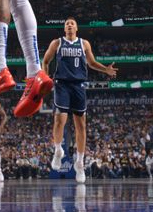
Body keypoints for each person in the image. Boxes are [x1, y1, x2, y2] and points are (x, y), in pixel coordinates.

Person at [42, 17, 118, 183]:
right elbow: (46, 61)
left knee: (81, 125)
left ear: (76, 28)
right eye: (66, 24)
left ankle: (79, 163)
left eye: (72, 23)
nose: (69, 25)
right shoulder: (57, 43)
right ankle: (57, 151)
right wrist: (44, 77)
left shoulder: (84, 43)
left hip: (79, 85)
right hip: (62, 84)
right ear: (64, 29)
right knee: (59, 120)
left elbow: (91, 63)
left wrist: (105, 69)